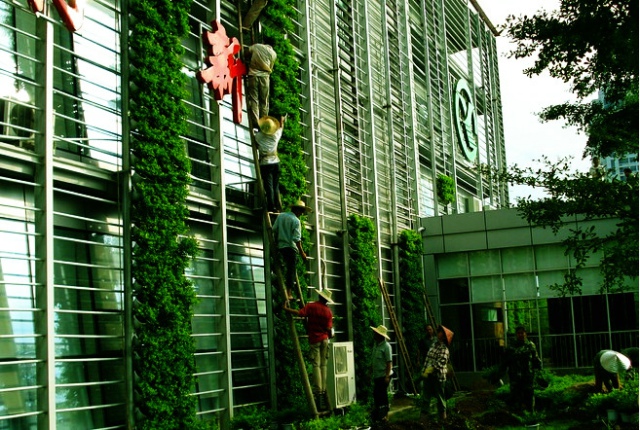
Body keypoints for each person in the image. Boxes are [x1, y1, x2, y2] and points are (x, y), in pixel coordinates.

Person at [283, 288, 334, 410]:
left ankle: (318, 392)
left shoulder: (311, 306)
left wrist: (286, 309)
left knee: (316, 365)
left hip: (314, 339)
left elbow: (299, 313)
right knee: (324, 366)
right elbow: (329, 329)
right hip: (325, 339)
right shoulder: (328, 312)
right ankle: (322, 390)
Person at [272, 200, 311, 301]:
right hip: (290, 247)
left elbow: (274, 229)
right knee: (291, 271)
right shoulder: (296, 221)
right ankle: (288, 293)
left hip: (281, 246)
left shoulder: (281, 216)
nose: (302, 214)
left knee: (287, 268)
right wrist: (302, 253)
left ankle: (287, 291)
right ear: (297, 210)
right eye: (301, 211)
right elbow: (296, 239)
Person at [498, 326, 542, 411]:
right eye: (519, 333)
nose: (520, 335)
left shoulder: (530, 345)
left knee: (529, 396)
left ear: (525, 334)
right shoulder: (511, 347)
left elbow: (536, 359)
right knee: (516, 397)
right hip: (515, 378)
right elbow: (505, 362)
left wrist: (539, 372)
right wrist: (499, 373)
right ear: (516, 335)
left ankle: (530, 415)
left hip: (528, 377)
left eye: (522, 333)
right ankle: (517, 415)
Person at [420, 325, 453, 423]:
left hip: (438, 378)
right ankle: (422, 420)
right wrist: (424, 370)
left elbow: (439, 364)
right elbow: (428, 359)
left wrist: (429, 370)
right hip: (428, 377)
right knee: (425, 398)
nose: (437, 333)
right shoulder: (433, 345)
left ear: (443, 336)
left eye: (440, 332)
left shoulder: (444, 350)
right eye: (438, 331)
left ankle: (443, 420)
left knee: (440, 398)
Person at [254, 115, 285, 213]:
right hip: (276, 162)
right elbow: (281, 127)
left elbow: (255, 143)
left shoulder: (258, 136)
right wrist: (282, 120)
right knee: (275, 186)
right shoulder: (276, 134)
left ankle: (271, 207)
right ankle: (277, 206)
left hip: (265, 163)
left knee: (269, 186)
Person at [246, 41, 277, 130]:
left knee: (254, 98)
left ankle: (255, 121)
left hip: (253, 74)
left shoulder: (257, 46)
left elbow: (247, 52)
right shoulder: (273, 54)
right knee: (264, 101)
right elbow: (271, 67)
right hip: (265, 77)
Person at [370, 325, 393, 422]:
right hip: (377, 375)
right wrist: (369, 372)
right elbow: (373, 361)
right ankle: (379, 414)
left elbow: (389, 362)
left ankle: (385, 416)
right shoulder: (376, 345)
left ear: (380, 335)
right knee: (376, 394)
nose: (374, 335)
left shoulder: (386, 347)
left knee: (382, 394)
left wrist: (387, 376)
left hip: (384, 375)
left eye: (376, 333)